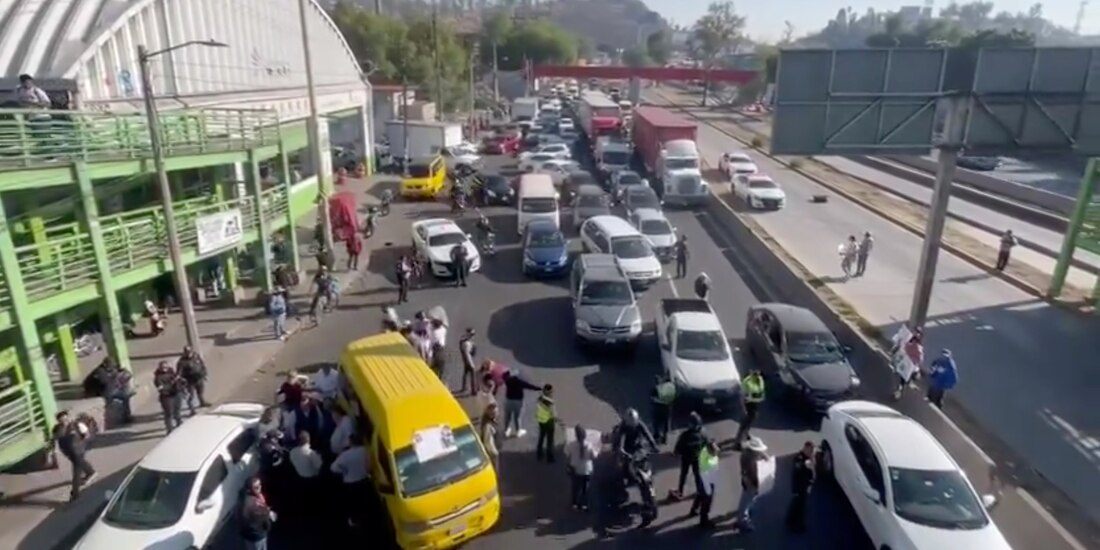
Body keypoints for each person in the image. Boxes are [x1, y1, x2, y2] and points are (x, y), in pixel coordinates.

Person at [52, 411, 96, 500]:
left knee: (76, 473)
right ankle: (91, 472)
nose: (64, 421)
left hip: (78, 451)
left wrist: (82, 444)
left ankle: (75, 493)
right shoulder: (56, 429)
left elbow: (86, 435)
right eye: (61, 419)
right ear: (58, 420)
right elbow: (55, 437)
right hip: (68, 452)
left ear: (68, 418)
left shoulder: (76, 425)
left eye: (65, 418)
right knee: (81, 463)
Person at [331, 436, 369, 527]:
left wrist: (344, 471)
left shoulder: (345, 455)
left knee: (353, 503)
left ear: (350, 443)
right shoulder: (364, 450)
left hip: (350, 482)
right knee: (364, 500)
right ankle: (367, 518)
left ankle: (354, 521)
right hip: (363, 479)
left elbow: (333, 468)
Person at [670, 412, 707, 501]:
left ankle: (680, 491)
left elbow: (679, 446)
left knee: (683, 475)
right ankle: (699, 490)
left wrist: (675, 453)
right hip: (697, 458)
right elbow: (705, 444)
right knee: (697, 475)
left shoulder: (685, 435)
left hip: (686, 458)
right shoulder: (702, 434)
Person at [736, 437, 768, 532]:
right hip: (750, 482)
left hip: (755, 481)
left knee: (751, 498)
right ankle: (742, 520)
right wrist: (750, 484)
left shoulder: (753, 453)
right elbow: (745, 474)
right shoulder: (746, 458)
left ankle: (747, 511)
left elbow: (763, 455)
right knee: (746, 499)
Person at [565, 424, 599, 511]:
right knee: (585, 488)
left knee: (575, 488)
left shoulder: (571, 445)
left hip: (575, 469)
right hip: (587, 470)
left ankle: (574, 504)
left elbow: (566, 453)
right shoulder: (589, 445)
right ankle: (584, 504)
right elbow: (594, 456)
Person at [786, 441, 816, 533]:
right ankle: (795, 525)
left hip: (804, 486)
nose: (811, 452)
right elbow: (798, 467)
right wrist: (805, 465)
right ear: (805, 448)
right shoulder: (799, 458)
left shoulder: (809, 458)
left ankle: (792, 521)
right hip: (799, 487)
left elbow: (813, 473)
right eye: (810, 450)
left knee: (800, 505)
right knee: (798, 506)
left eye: (812, 451)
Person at [502, 369, 541, 438]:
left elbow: (503, 375)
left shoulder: (507, 380)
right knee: (517, 417)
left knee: (507, 416)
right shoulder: (519, 382)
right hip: (518, 402)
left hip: (508, 400)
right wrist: (538, 388)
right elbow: (529, 386)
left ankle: (506, 430)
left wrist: (508, 372)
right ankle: (518, 431)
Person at [239, 476, 275, 550]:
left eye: (260, 485)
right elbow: (261, 516)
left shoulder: (253, 497)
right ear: (249, 489)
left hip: (256, 533)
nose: (260, 487)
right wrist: (269, 513)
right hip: (255, 535)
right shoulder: (252, 503)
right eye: (256, 487)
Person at [691, 441, 720, 529]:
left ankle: (694, 509)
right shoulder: (707, 461)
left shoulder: (704, 452)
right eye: (714, 452)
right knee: (706, 502)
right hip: (707, 481)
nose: (716, 453)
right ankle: (704, 521)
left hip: (704, 480)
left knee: (700, 495)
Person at [734, 369, 765, 446]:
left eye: (758, 374)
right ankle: (738, 442)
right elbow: (742, 396)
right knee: (744, 424)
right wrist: (743, 408)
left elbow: (761, 393)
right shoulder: (746, 382)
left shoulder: (759, 380)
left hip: (754, 404)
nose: (757, 376)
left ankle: (746, 433)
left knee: (751, 421)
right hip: (747, 404)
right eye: (755, 374)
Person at [176, 346, 209, 415]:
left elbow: (202, 365)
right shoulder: (182, 362)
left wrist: (204, 374)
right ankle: (192, 410)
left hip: (199, 378)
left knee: (200, 392)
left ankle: (202, 402)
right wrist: (182, 381)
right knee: (190, 396)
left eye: (190, 352)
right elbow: (179, 373)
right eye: (187, 352)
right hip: (190, 381)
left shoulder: (196, 356)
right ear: (184, 353)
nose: (189, 354)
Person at [153, 360, 183, 434]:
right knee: (169, 413)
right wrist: (172, 383)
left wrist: (180, 382)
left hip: (176, 394)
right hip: (167, 397)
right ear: (159, 368)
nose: (164, 369)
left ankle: (180, 425)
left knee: (177, 411)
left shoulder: (172, 373)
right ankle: (169, 429)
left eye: (166, 367)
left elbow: (179, 382)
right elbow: (161, 388)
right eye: (162, 367)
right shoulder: (158, 378)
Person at [534, 384, 558, 463]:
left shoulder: (540, 399)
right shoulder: (550, 401)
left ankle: (539, 454)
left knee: (541, 436)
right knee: (550, 440)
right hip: (549, 421)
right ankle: (549, 457)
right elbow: (553, 413)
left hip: (541, 420)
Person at [649, 374, 675, 445]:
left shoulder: (655, 389)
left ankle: (656, 437)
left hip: (658, 408)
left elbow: (652, 398)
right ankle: (664, 438)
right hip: (667, 408)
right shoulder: (668, 389)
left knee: (656, 423)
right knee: (666, 423)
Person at [479, 402, 501, 472]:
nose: (497, 414)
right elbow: (488, 442)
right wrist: (495, 453)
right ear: (490, 413)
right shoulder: (487, 426)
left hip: (494, 444)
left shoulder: (490, 420)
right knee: (493, 467)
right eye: (495, 413)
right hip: (491, 452)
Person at [459, 328, 479, 395]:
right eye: (471, 334)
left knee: (466, 372)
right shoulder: (466, 343)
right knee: (472, 372)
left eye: (473, 334)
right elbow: (467, 354)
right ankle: (474, 390)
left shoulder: (466, 341)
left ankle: (464, 387)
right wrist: (471, 364)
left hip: (466, 360)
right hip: (468, 360)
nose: (473, 336)